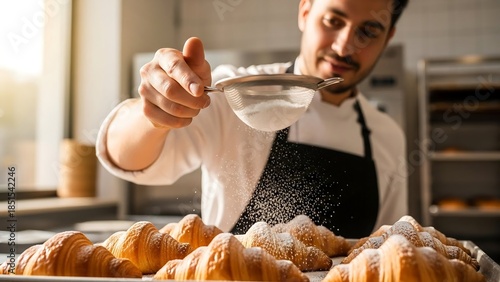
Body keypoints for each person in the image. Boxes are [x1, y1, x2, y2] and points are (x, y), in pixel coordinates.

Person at [97, 0, 409, 238]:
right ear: (305, 11)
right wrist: (153, 115)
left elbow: (386, 248)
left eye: (368, 31)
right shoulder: (238, 94)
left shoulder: (387, 135)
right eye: (333, 20)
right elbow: (126, 158)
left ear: (388, 36)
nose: (344, 46)